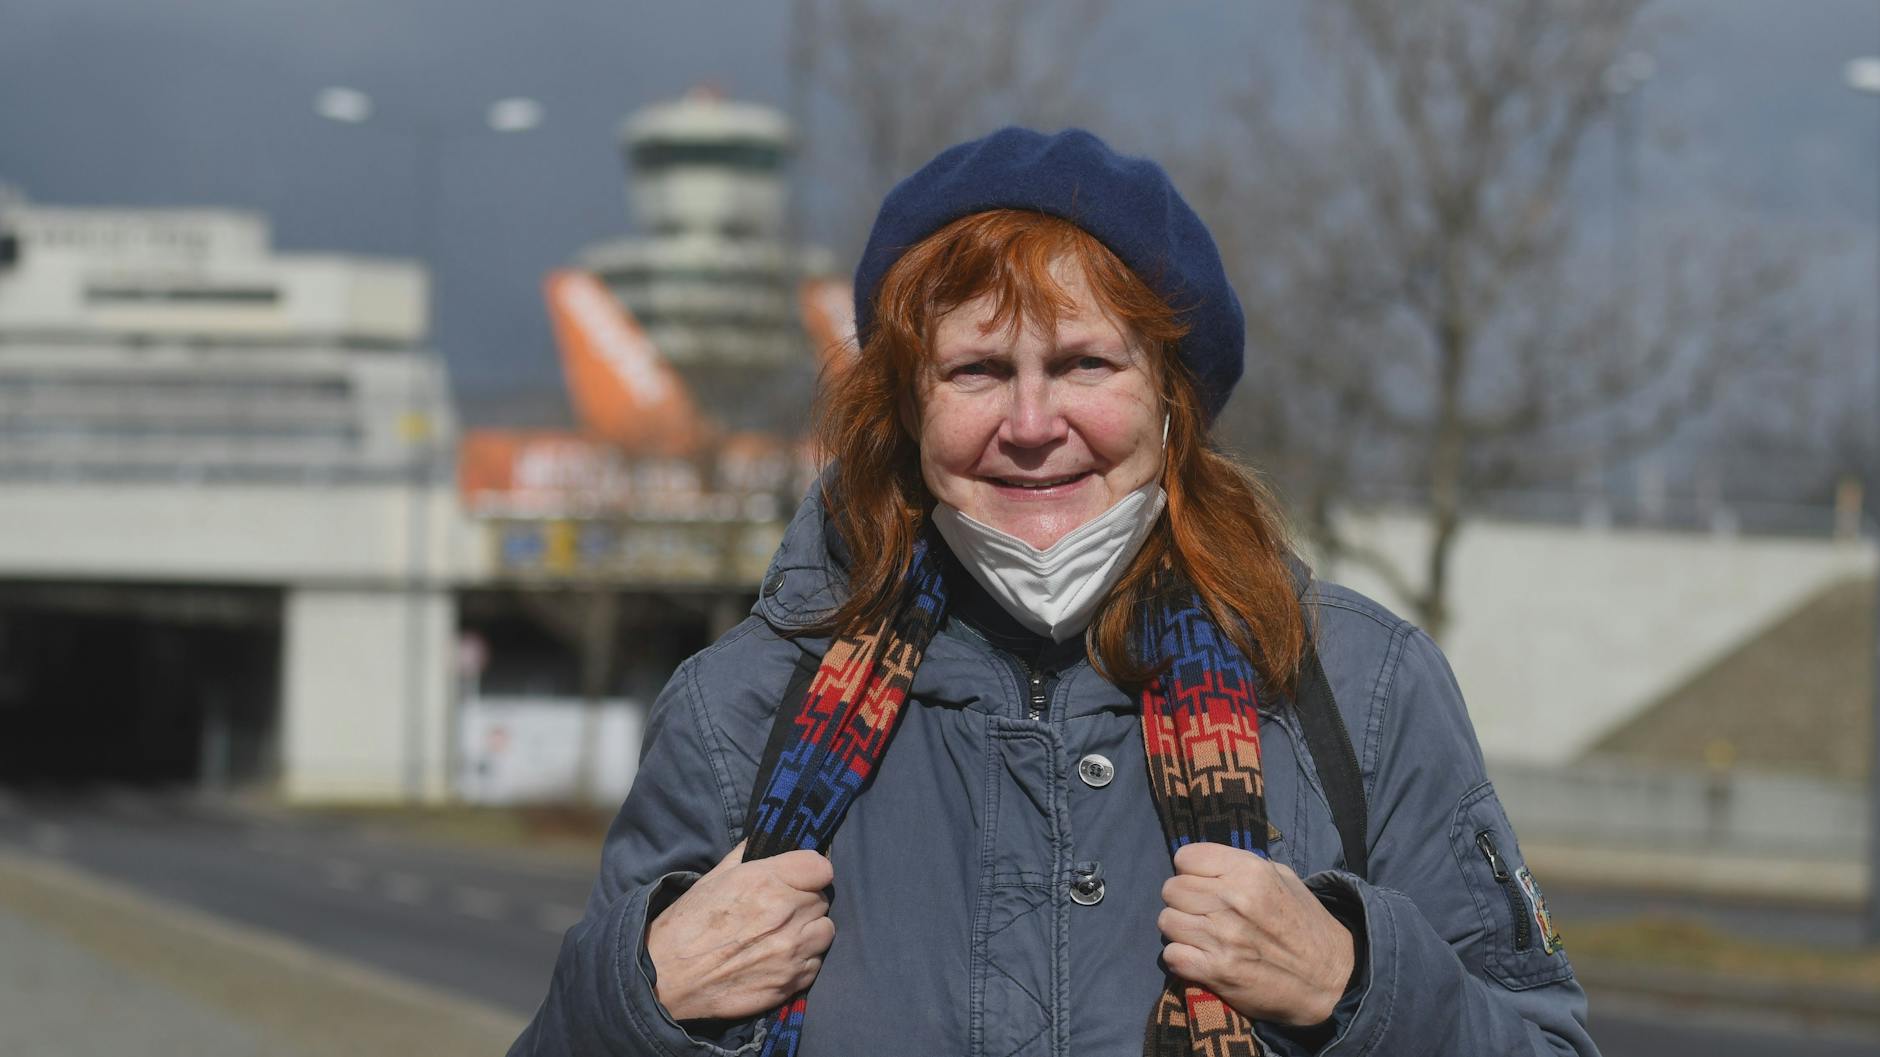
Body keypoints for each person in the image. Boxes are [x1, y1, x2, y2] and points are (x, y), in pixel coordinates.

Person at [510, 128, 1599, 1057]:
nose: (1031, 426)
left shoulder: (1354, 689)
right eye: (976, 372)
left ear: (1174, 401)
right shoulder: (737, 709)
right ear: (906, 407)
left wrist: (1360, 987)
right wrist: (631, 1001)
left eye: (1084, 364)